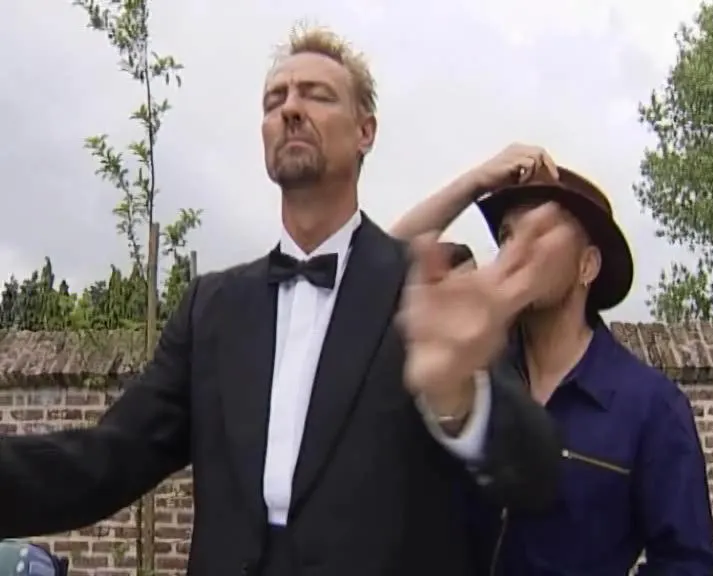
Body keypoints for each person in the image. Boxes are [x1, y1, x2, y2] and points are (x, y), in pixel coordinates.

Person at [0, 29, 566, 576]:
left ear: (366, 131)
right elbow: (107, 459)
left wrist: (460, 401)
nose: (290, 108)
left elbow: (536, 476)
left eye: (317, 95)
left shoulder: (426, 288)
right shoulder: (211, 308)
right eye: (275, 100)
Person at [394, 154, 713, 574]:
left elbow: (687, 564)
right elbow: (363, 278)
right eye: (508, 236)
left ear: (588, 265)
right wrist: (473, 182)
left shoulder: (652, 407)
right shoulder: (469, 378)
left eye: (541, 232)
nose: (517, 250)